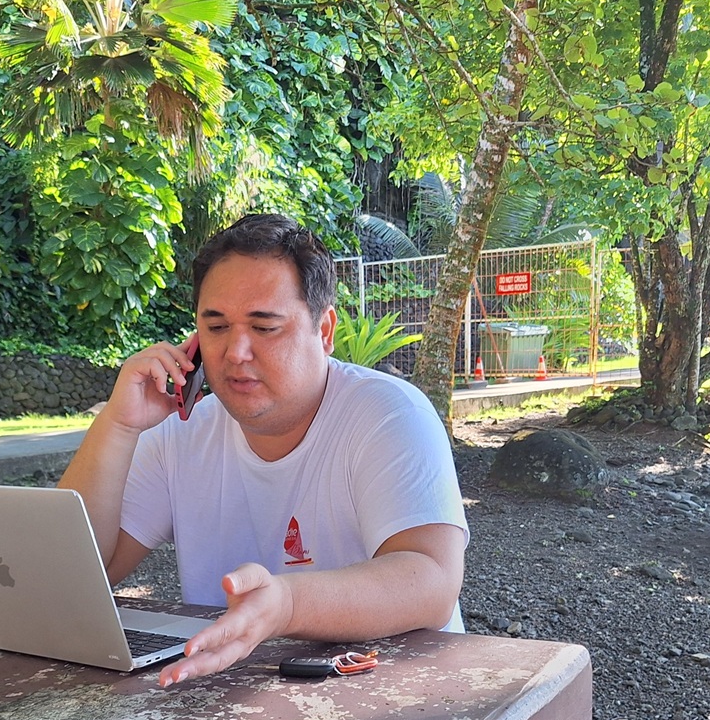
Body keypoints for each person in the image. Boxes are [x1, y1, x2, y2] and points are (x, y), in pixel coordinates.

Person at [59, 213, 468, 686]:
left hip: (395, 694)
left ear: (325, 330)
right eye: (216, 327)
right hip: (226, 694)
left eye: (264, 327)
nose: (235, 352)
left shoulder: (388, 413)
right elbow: (79, 578)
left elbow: (432, 579)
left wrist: (286, 604)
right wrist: (119, 424)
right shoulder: (181, 431)